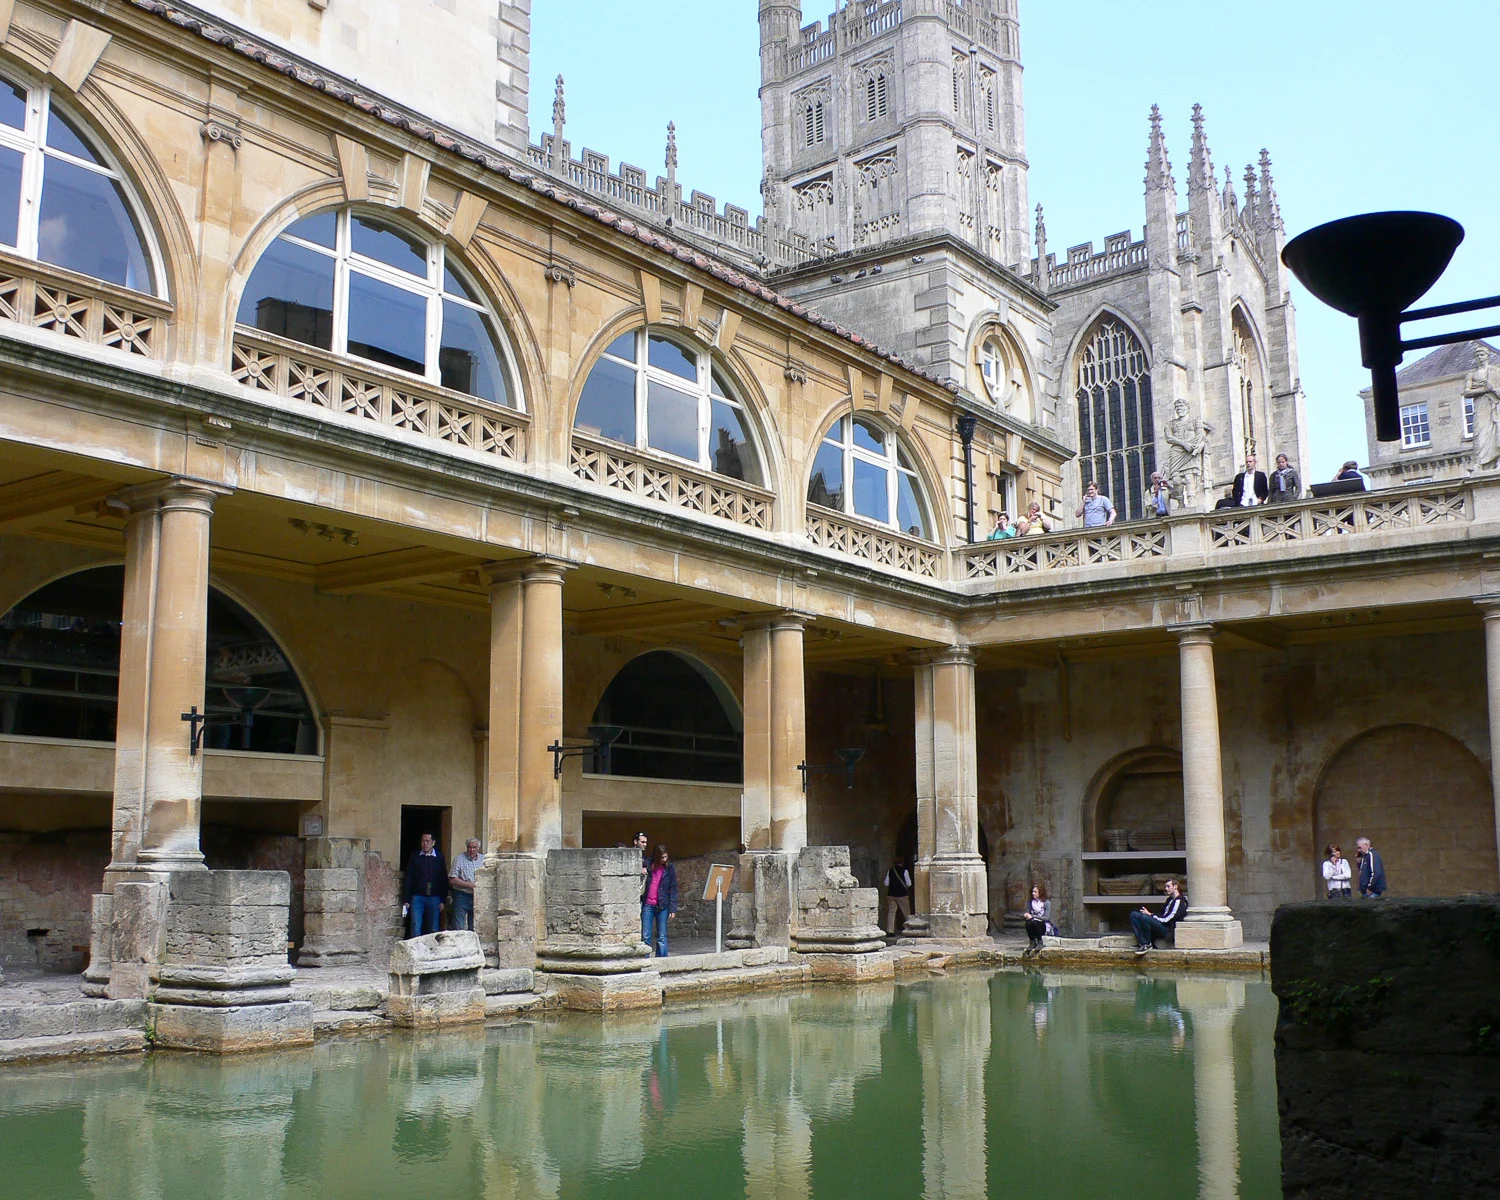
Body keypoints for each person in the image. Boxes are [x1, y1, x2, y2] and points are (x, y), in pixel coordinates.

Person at [402, 831, 448, 938]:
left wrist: (443, 900)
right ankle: (416, 949)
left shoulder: (439, 857)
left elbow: (443, 880)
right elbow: (409, 878)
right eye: (423, 841)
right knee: (415, 924)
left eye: (428, 841)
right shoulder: (415, 857)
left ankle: (432, 950)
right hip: (417, 897)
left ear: (433, 843)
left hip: (434, 897)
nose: (425, 844)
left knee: (433, 926)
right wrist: (406, 899)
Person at [1129, 878, 1187, 954]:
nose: (1166, 889)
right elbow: (1162, 915)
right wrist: (1152, 916)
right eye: (1165, 887)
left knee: (1145, 917)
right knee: (1134, 915)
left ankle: (1147, 943)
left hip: (1168, 929)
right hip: (1162, 924)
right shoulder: (1169, 900)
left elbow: (1167, 919)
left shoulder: (1179, 901)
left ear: (1175, 886)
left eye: (1168, 886)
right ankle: (1142, 942)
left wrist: (1151, 915)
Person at [642, 844, 678, 957]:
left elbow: (673, 888)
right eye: (662, 857)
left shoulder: (669, 868)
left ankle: (662, 960)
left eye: (666, 857)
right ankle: (645, 959)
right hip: (648, 904)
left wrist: (673, 908)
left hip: (663, 905)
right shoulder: (647, 865)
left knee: (662, 936)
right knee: (646, 935)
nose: (664, 860)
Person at [448, 837, 482, 930]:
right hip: (461, 895)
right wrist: (468, 885)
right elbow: (452, 879)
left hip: (477, 896)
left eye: (474, 847)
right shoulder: (459, 859)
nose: (471, 850)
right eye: (469, 847)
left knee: (474, 926)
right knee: (458, 925)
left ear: (478, 848)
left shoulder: (483, 860)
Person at [883, 855, 913, 935]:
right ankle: (909, 928)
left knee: (891, 912)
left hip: (891, 894)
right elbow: (909, 884)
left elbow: (886, 883)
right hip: (902, 894)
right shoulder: (904, 871)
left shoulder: (890, 871)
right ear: (902, 862)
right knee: (906, 912)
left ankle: (890, 930)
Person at [1023, 883, 1053, 954]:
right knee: (1028, 923)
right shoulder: (1031, 903)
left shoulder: (1046, 903)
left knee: (1035, 922)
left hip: (1043, 925)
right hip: (1033, 923)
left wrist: (1033, 916)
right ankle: (1032, 941)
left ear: (1040, 892)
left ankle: (1040, 941)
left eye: (1035, 892)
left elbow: (1046, 918)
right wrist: (1026, 915)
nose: (1033, 893)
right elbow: (1029, 913)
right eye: (1032, 892)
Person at [634, 830, 653, 945]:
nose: (645, 844)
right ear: (635, 842)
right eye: (642, 842)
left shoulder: (645, 859)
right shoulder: (628, 857)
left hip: (642, 895)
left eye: (646, 842)